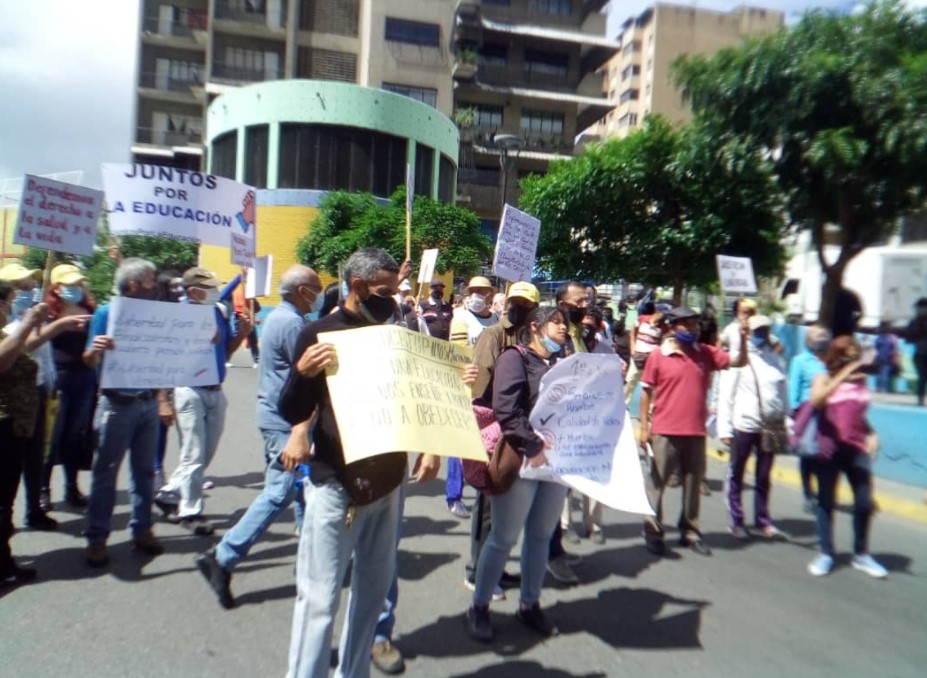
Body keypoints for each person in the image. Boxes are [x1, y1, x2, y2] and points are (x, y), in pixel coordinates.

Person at [279, 248, 444, 678]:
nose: (393, 299)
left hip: (388, 485)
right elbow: (294, 409)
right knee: (319, 600)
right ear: (356, 288)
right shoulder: (320, 334)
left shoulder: (396, 334)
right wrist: (302, 372)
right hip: (337, 485)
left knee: (371, 594)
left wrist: (432, 443)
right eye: (384, 292)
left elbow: (416, 399)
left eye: (395, 291)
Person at [195, 265, 322, 609]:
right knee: (280, 490)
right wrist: (301, 428)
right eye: (316, 287)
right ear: (301, 290)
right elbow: (306, 379)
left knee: (300, 489)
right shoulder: (293, 324)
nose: (320, 292)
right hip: (285, 421)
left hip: (278, 416)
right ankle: (222, 557)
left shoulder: (282, 318)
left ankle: (312, 559)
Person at [466, 306, 570, 644]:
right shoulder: (515, 358)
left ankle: (530, 604)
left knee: (540, 536)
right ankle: (479, 606)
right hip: (524, 461)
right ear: (535, 327)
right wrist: (532, 445)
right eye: (556, 322)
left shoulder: (564, 363)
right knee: (503, 538)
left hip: (555, 464)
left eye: (565, 324)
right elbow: (506, 410)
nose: (563, 328)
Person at [638, 307, 749, 556]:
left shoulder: (706, 353)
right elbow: (646, 392)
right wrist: (644, 427)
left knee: (692, 484)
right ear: (673, 327)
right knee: (657, 484)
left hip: (695, 431)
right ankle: (653, 530)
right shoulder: (658, 356)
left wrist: (742, 334)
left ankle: (690, 530)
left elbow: (739, 360)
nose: (691, 329)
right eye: (685, 325)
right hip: (664, 431)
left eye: (694, 325)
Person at [83, 258, 166, 567]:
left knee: (144, 472)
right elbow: (88, 360)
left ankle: (142, 529)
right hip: (116, 405)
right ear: (133, 286)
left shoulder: (155, 317)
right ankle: (97, 538)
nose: (155, 288)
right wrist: (97, 349)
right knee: (106, 474)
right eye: (151, 282)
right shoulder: (106, 313)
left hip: (146, 403)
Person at [155, 267, 251, 536]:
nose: (214, 291)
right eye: (208, 287)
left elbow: (226, 352)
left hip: (215, 389)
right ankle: (191, 511)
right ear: (194, 290)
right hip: (189, 390)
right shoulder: (178, 316)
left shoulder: (218, 311)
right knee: (194, 454)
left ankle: (168, 491)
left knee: (204, 452)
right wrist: (163, 398)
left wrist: (241, 335)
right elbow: (165, 359)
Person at [466, 282, 541, 598]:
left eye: (525, 303)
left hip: (519, 429)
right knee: (487, 502)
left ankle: (494, 567)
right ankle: (476, 570)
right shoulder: (494, 335)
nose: (518, 307)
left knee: (505, 509)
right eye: (515, 301)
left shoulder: (529, 338)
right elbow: (481, 387)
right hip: (495, 426)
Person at [806, 336, 887, 578]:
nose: (854, 360)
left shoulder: (860, 381)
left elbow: (854, 414)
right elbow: (817, 401)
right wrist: (841, 375)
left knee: (864, 502)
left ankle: (861, 554)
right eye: (849, 355)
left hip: (856, 448)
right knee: (826, 502)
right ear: (838, 356)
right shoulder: (824, 377)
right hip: (830, 447)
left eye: (856, 355)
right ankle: (826, 553)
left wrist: (870, 432)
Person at [717, 315, 788, 540]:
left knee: (764, 475)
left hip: (770, 426)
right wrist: (725, 429)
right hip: (744, 425)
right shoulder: (740, 359)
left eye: (765, 330)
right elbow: (726, 396)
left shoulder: (776, 359)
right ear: (749, 333)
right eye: (758, 330)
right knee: (737, 472)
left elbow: (782, 391)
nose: (762, 335)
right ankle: (736, 520)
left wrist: (789, 420)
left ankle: (762, 519)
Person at [0, 284, 47, 586]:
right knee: (1, 500)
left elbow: (21, 349)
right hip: (2, 426)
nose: (9, 308)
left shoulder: (5, 334)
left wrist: (55, 325)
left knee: (5, 499)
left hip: (14, 426)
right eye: (8, 302)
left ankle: (4, 562)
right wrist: (28, 322)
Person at [42, 264, 98, 512]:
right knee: (51, 438)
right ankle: (43, 489)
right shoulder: (47, 313)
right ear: (56, 287)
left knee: (75, 435)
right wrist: (59, 326)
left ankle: (72, 486)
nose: (74, 289)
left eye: (78, 284)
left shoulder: (88, 310)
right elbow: (36, 341)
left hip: (85, 378)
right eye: (69, 285)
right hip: (58, 379)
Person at [447, 276, 498, 519]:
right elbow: (456, 356)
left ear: (490, 294)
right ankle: (454, 495)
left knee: (485, 444)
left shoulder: (497, 320)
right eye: (474, 290)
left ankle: (482, 484)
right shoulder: (461, 319)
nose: (478, 294)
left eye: (483, 291)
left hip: (489, 393)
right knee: (459, 445)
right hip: (466, 390)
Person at [788, 325, 831, 513]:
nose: (821, 338)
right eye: (816, 335)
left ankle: (823, 492)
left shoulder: (830, 361)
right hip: (807, 413)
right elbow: (793, 390)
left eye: (823, 335)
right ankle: (807, 492)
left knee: (825, 453)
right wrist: (794, 415)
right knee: (807, 453)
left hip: (827, 412)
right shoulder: (800, 361)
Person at [624, 301, 665, 404]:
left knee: (651, 386)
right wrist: (633, 348)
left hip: (651, 360)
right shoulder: (642, 319)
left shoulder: (663, 327)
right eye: (662, 312)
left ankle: (649, 412)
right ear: (657, 311)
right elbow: (633, 331)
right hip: (637, 356)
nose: (663, 315)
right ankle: (623, 406)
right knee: (630, 382)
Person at [905, 298, 927, 406]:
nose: (920, 311)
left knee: (923, 377)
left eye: (922, 308)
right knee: (922, 377)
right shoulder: (915, 322)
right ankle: (920, 398)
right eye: (919, 308)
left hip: (921, 352)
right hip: (920, 353)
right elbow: (908, 338)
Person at [873, 321, 900, 394]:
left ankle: (881, 388)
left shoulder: (882, 337)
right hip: (885, 356)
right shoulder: (890, 337)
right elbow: (895, 347)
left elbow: (877, 347)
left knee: (883, 373)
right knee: (883, 373)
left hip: (885, 357)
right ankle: (882, 388)